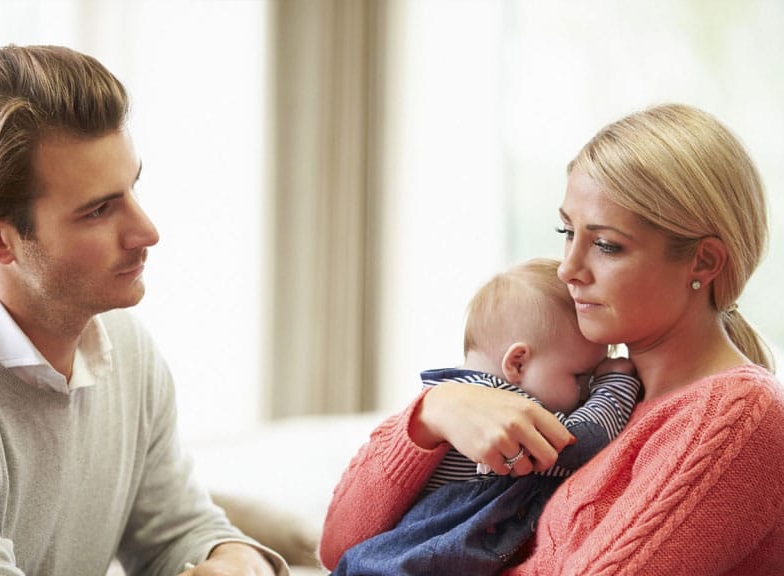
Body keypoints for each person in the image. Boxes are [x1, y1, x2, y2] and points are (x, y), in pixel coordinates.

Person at [319, 103, 784, 575]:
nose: (568, 269)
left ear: (704, 262)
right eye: (567, 232)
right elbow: (341, 547)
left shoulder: (736, 416)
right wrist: (433, 413)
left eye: (606, 245)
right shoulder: (586, 397)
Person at [0, 45, 287, 576]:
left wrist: (234, 562)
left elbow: (179, 530)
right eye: (98, 210)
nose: (147, 232)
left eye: (132, 187)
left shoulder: (126, 348)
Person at [330, 258, 641, 575]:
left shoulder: (454, 388)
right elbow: (584, 438)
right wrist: (617, 382)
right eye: (581, 376)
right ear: (518, 364)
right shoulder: (504, 406)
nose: (586, 392)